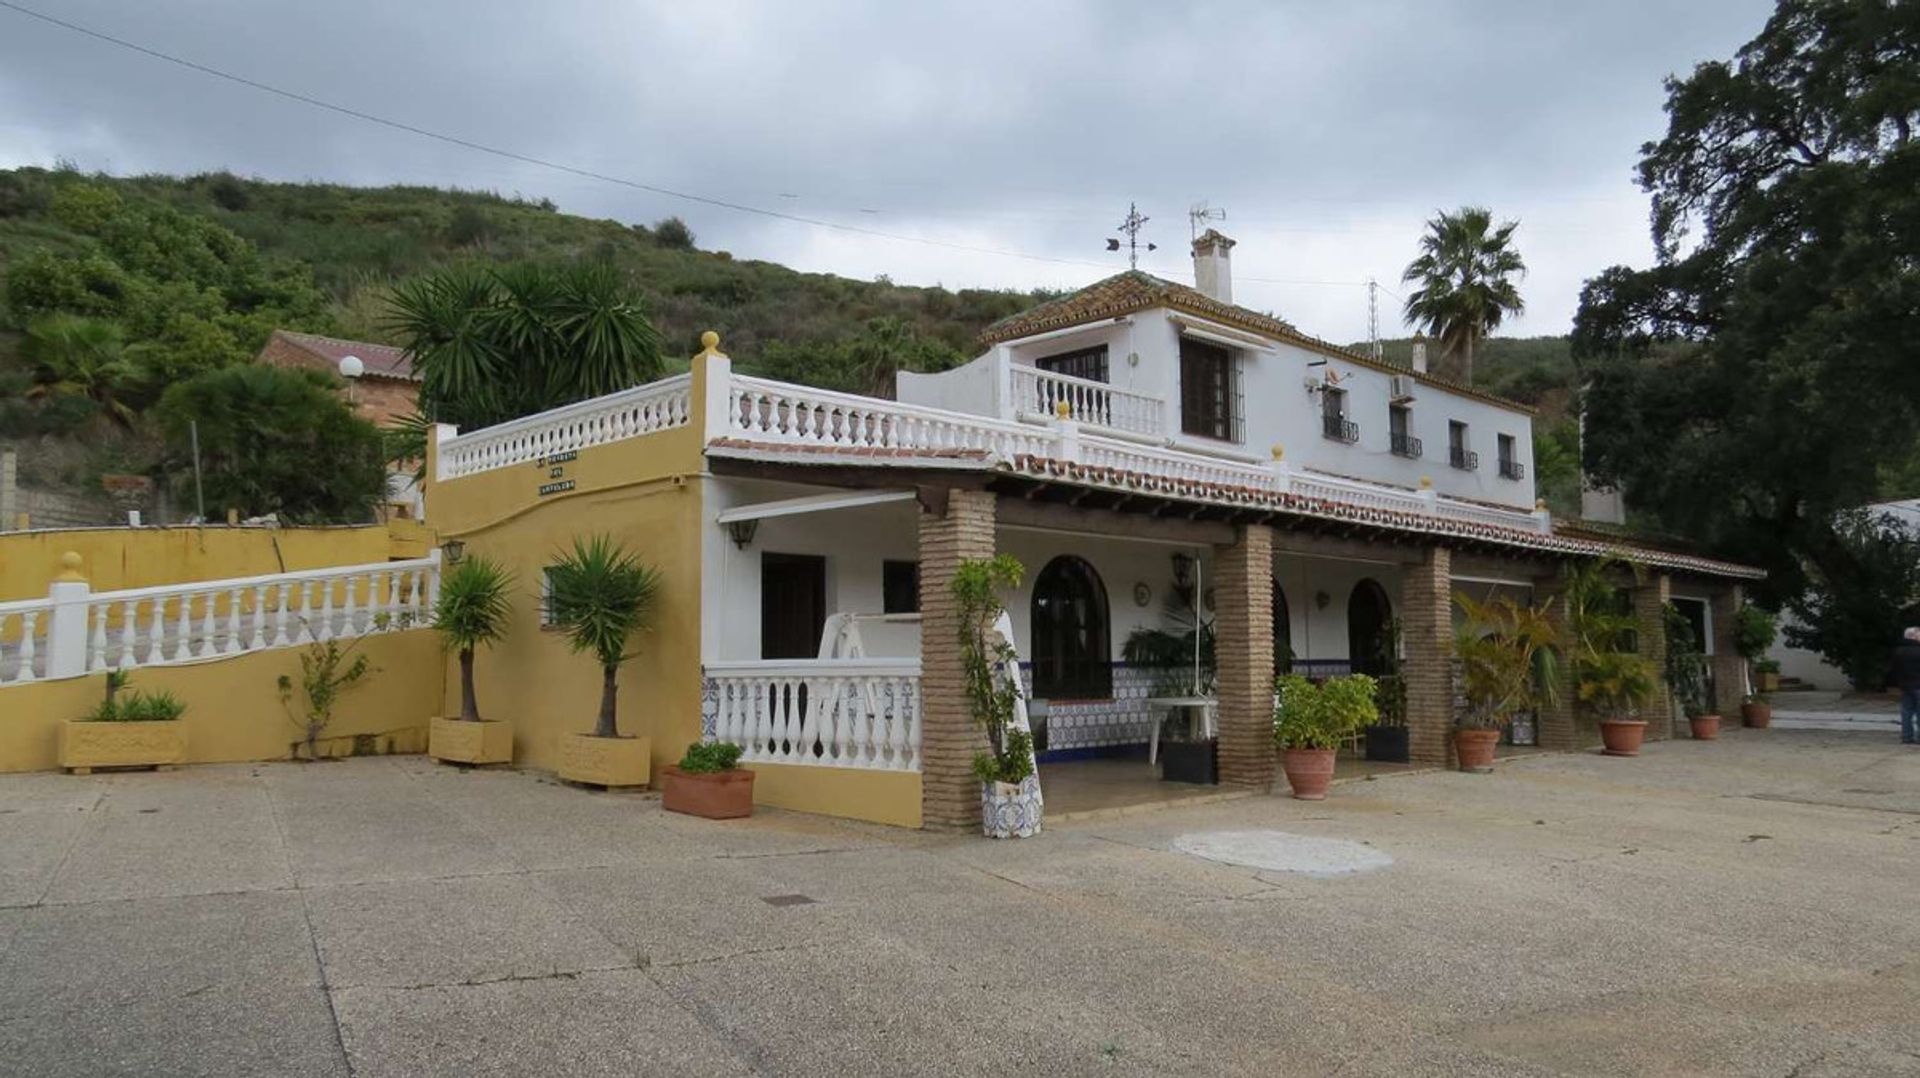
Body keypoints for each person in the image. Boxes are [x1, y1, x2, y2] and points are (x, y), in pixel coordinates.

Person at [1895, 627, 1920, 745]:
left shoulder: (1899, 651)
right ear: (1914, 636)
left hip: (1905, 685)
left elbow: (1894, 669)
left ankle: (1906, 736)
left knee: (1906, 711)